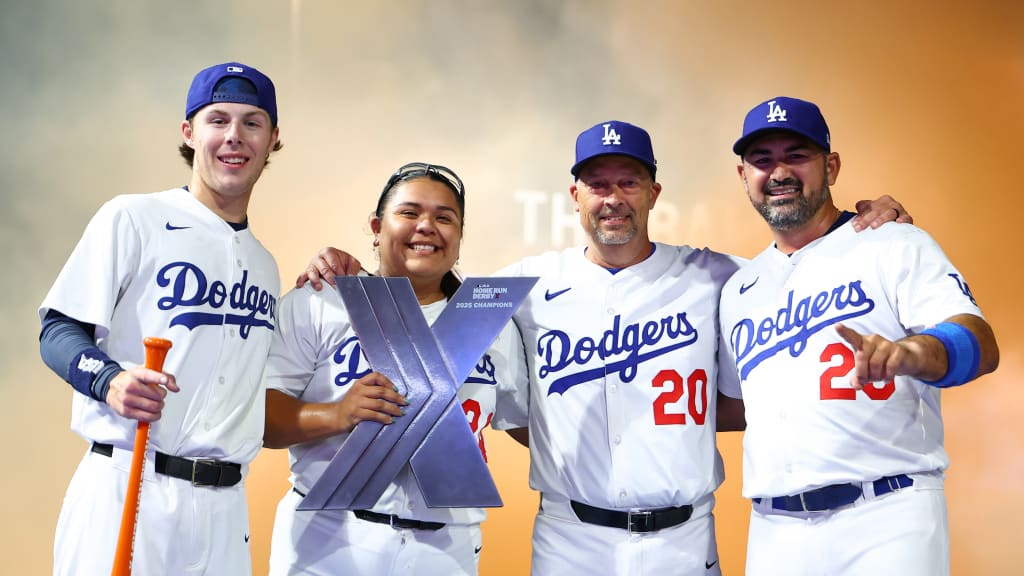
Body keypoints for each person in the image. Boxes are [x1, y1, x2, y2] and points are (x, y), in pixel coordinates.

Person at [298, 121, 910, 575]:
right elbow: (429, 298)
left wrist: (855, 228)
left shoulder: (723, 276)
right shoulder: (521, 287)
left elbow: (797, 272)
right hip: (570, 536)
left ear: (653, 191)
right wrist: (338, 265)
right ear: (575, 196)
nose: (612, 196)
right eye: (597, 183)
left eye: (628, 181)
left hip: (684, 536)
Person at [719, 96, 999, 576]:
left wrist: (911, 353)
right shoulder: (738, 289)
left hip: (886, 514)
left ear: (831, 165)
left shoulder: (892, 243)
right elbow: (744, 407)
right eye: (762, 160)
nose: (779, 171)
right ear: (743, 176)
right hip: (774, 529)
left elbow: (981, 344)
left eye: (797, 155)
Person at [38, 61, 282, 575]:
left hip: (223, 508)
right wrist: (108, 380)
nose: (234, 136)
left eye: (252, 122)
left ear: (272, 139)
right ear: (189, 133)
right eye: (218, 120)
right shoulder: (133, 217)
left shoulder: (264, 265)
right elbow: (58, 329)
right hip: (129, 482)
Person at [262, 162, 526, 576]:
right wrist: (337, 414)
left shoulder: (491, 323)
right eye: (409, 213)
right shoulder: (320, 301)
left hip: (445, 549)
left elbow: (526, 424)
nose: (427, 226)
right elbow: (259, 420)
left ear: (459, 238)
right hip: (328, 540)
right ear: (376, 226)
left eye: (444, 217)